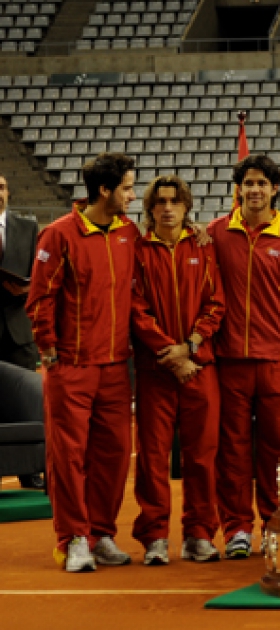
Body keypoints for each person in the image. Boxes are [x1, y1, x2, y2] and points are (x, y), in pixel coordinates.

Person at [26, 153, 139, 572]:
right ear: (104, 190)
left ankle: (102, 533)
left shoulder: (129, 232)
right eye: (127, 187)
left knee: (115, 454)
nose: (132, 195)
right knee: (68, 455)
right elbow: (39, 297)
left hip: (115, 367)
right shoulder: (59, 235)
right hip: (70, 365)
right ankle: (73, 538)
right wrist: (49, 349)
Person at [208, 154, 280, 559]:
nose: (254, 190)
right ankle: (237, 528)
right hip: (230, 359)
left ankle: (275, 521)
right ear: (239, 189)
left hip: (277, 361)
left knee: (278, 447)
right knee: (232, 448)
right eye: (248, 183)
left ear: (275, 189)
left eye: (262, 183)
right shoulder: (216, 233)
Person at [129, 175, 225, 565]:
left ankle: (199, 534)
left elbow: (216, 304)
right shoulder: (137, 250)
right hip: (156, 371)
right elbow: (136, 310)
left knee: (202, 456)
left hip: (199, 367)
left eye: (175, 201)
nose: (167, 208)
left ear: (186, 206)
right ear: (150, 209)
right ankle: (154, 537)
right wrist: (170, 354)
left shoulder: (204, 248)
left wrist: (191, 347)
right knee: (152, 457)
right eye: (160, 202)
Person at [0, 172, 44, 489]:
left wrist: (26, 290)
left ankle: (31, 471)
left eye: (0, 187)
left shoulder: (28, 228)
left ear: (9, 191)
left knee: (27, 401)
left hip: (19, 329)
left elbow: (40, 275)